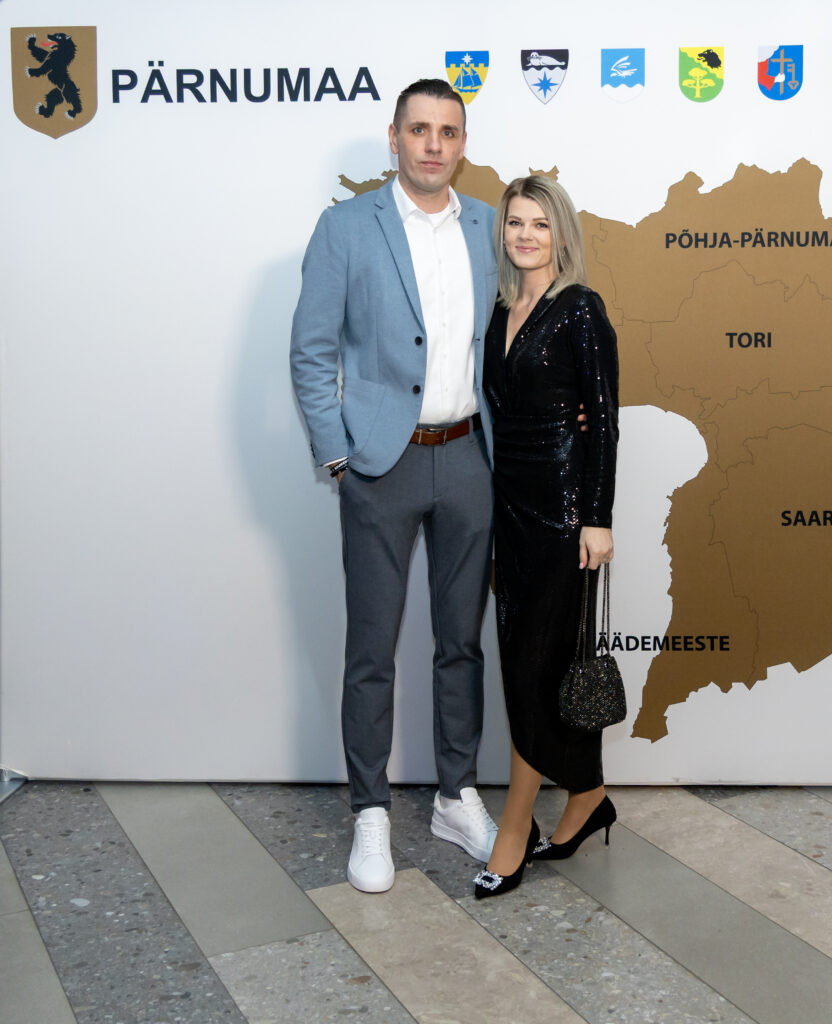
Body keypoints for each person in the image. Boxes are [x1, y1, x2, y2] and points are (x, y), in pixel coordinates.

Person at [290, 79, 500, 894]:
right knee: (371, 648)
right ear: (394, 137)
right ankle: (370, 811)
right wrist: (338, 457)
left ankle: (455, 796)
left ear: (462, 143)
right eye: (419, 130)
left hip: (470, 458)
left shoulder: (489, 226)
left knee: (462, 642)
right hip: (381, 464)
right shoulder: (346, 228)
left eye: (448, 131)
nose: (433, 145)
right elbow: (312, 351)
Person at [475, 176, 620, 898]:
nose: (526, 235)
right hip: (508, 510)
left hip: (563, 518)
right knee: (524, 662)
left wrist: (597, 517)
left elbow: (604, 420)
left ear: (561, 233)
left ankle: (514, 829)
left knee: (535, 670)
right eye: (515, 223)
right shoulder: (502, 308)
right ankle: (588, 795)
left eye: (539, 223)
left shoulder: (580, 309)